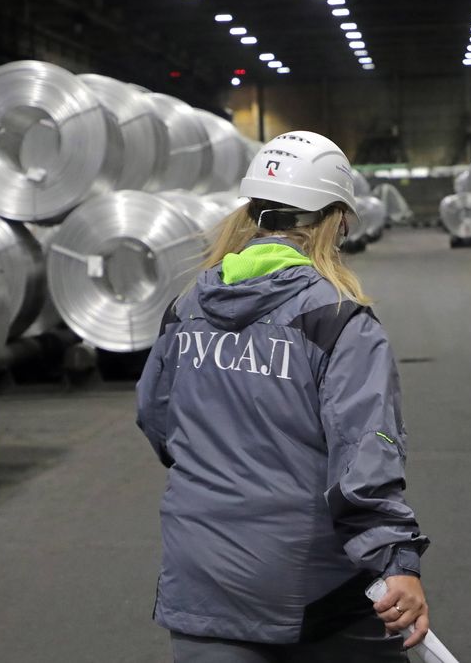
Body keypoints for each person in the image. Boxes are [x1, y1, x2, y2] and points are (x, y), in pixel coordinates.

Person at [137, 130, 430, 662]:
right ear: (336, 219)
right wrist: (395, 563)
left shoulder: (188, 309)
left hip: (200, 576)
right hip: (308, 588)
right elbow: (365, 458)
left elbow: (158, 422)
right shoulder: (339, 321)